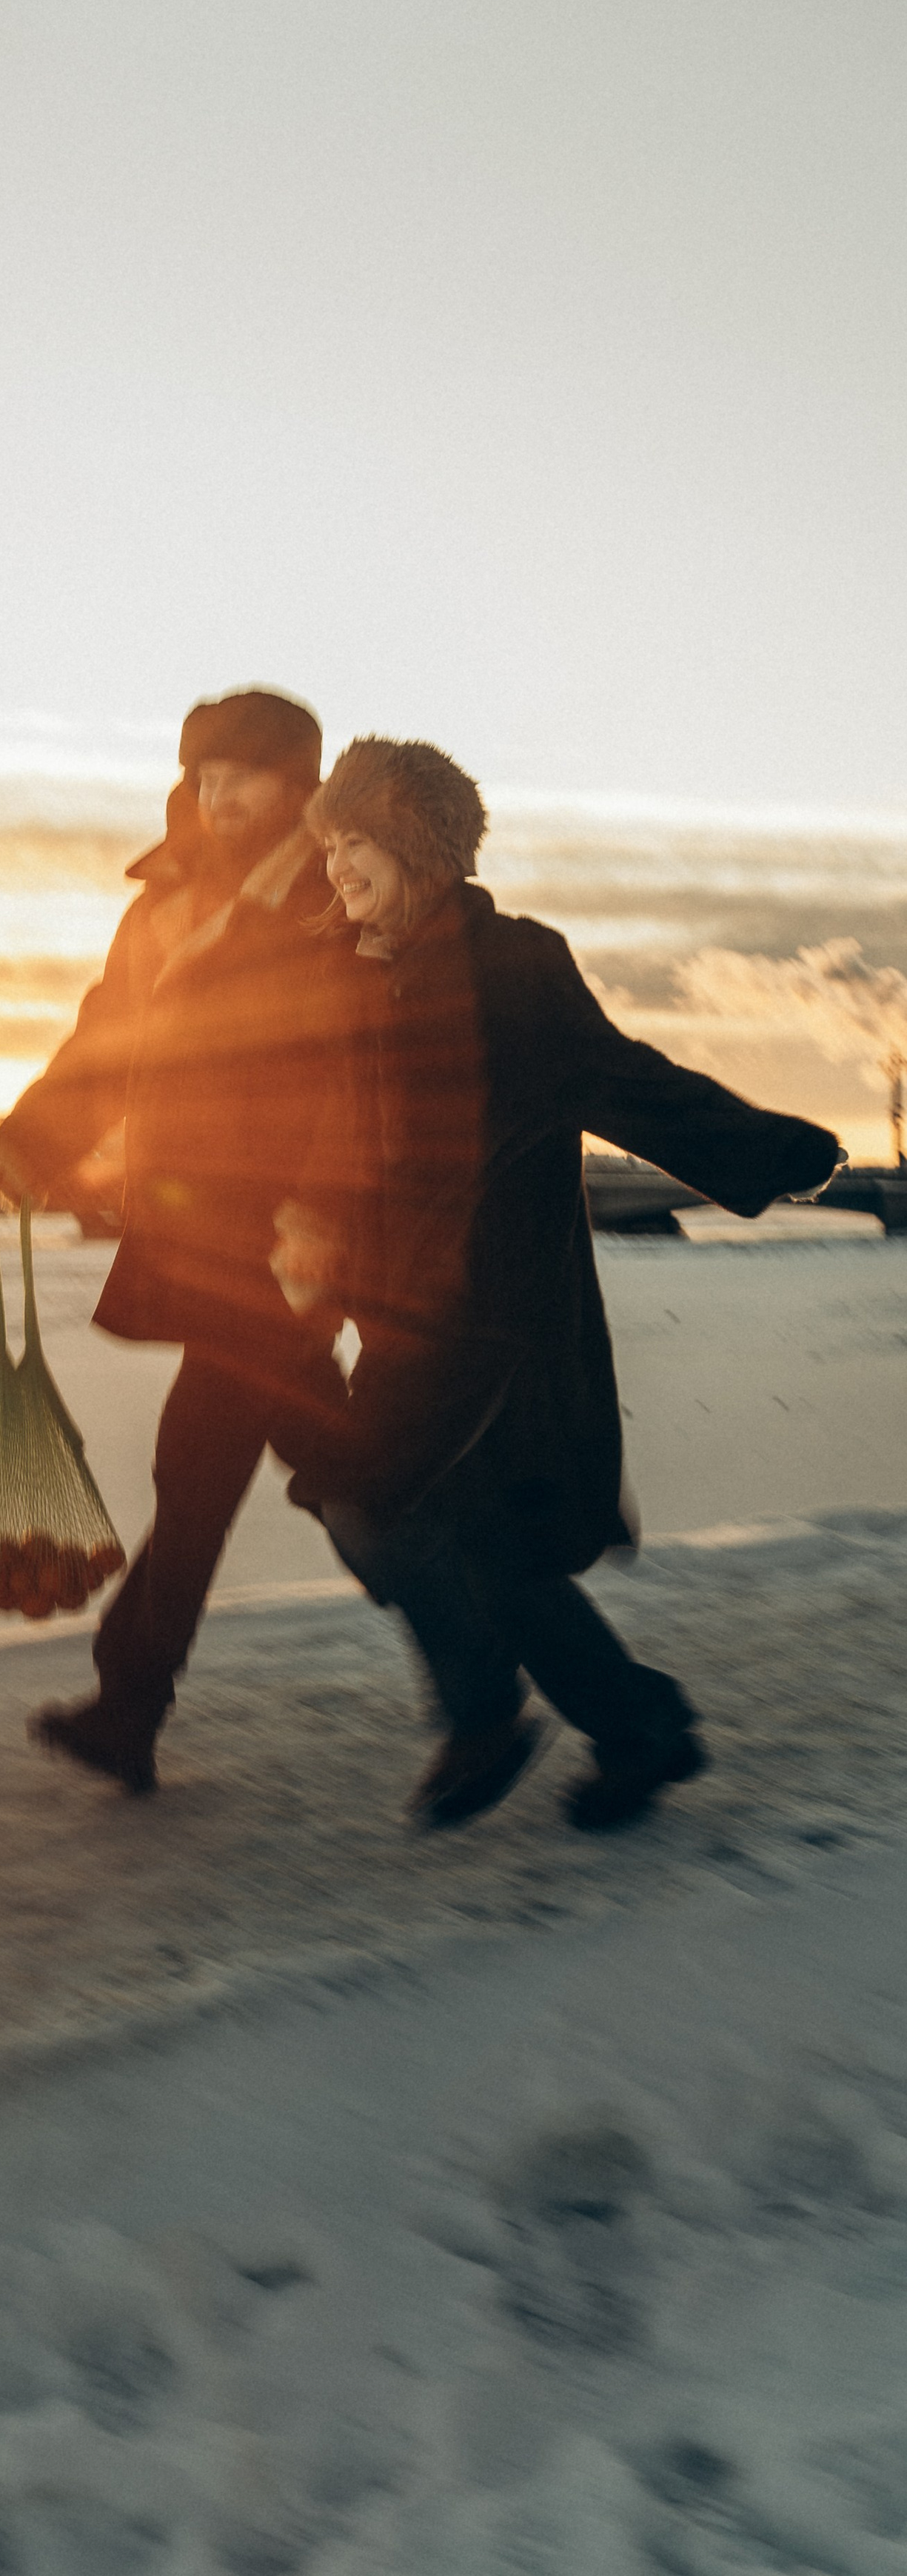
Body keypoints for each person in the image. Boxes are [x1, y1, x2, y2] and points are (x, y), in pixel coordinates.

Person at [293, 737, 843, 1831]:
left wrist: (772, 1149)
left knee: (390, 1506)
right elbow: (329, 1137)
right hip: (401, 1316)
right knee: (429, 1528)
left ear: (421, 848)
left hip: (500, 1319)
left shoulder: (512, 968)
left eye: (358, 843)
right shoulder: (344, 979)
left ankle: (491, 1714)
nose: (337, 866)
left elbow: (622, 1078)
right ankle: (633, 1728)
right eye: (331, 845)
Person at [0, 686, 355, 1795]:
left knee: (228, 1465)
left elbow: (363, 1075)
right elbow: (106, 1042)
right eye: (206, 777)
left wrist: (325, 1214)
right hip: (206, 1235)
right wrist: (30, 1145)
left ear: (299, 786)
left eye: (246, 778)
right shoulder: (163, 909)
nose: (221, 797)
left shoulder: (334, 900)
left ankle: (129, 1706)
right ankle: (538, 1660)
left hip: (284, 1243)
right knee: (336, 1468)